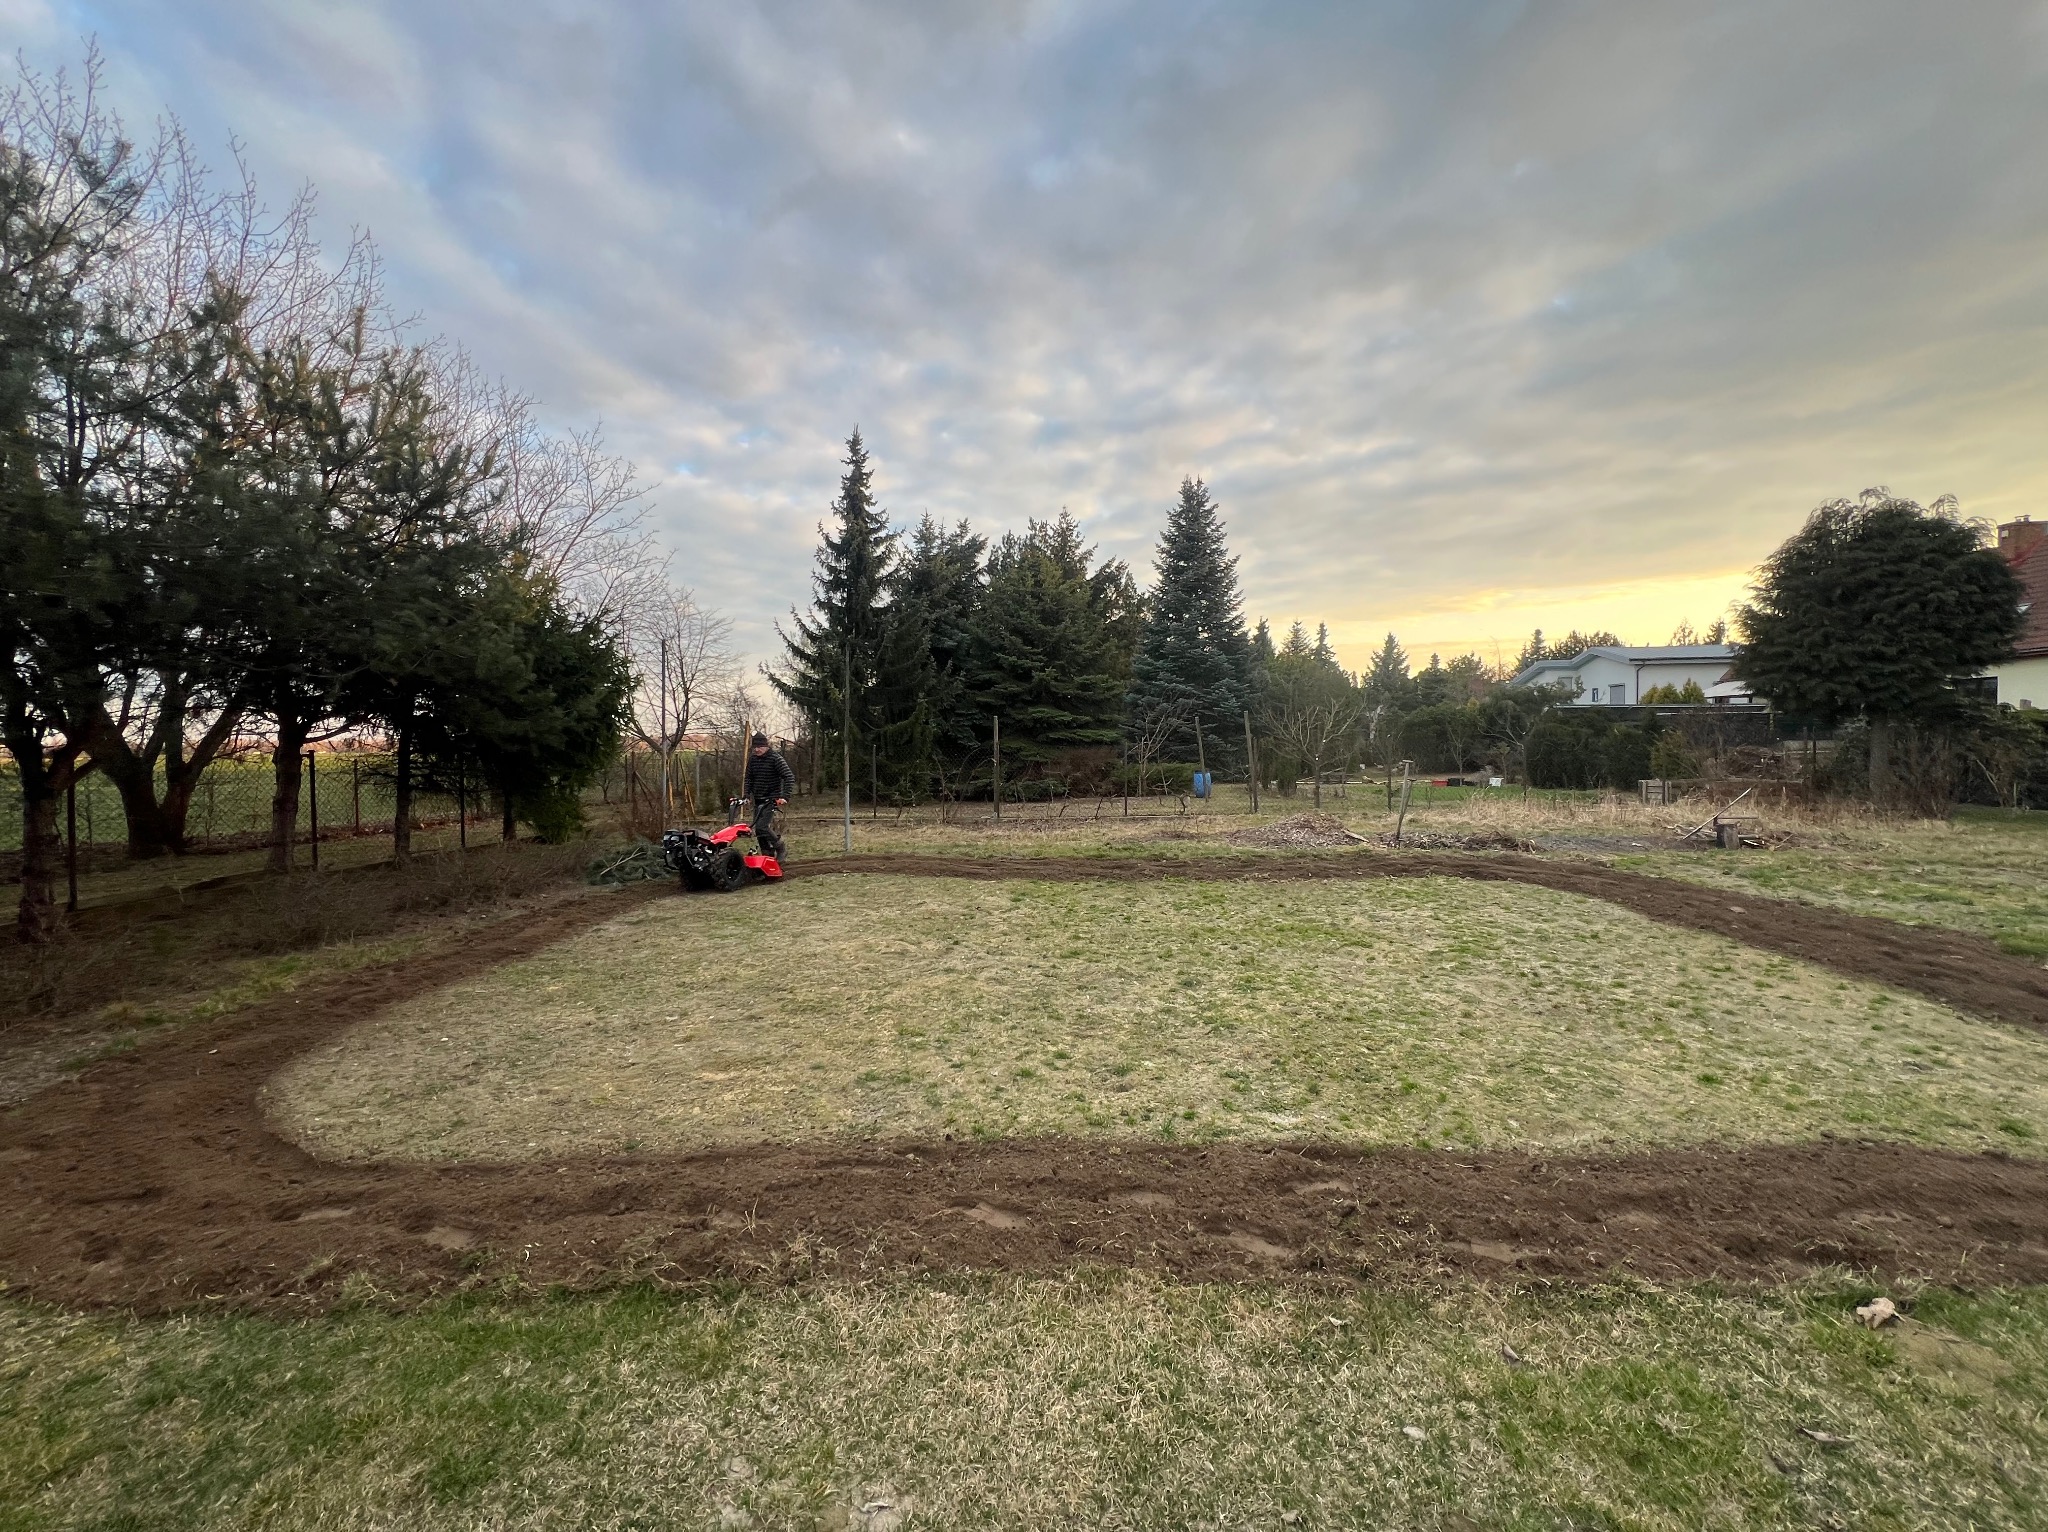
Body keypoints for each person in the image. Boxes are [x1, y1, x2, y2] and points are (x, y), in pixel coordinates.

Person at [742, 733, 794, 859]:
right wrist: (746, 795)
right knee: (758, 830)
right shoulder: (753, 759)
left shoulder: (775, 758)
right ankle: (767, 854)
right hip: (758, 799)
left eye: (759, 747)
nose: (756, 749)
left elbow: (789, 777)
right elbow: (748, 778)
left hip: (771, 799)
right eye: (754, 747)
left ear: (766, 746)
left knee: (762, 827)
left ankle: (780, 847)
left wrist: (785, 797)